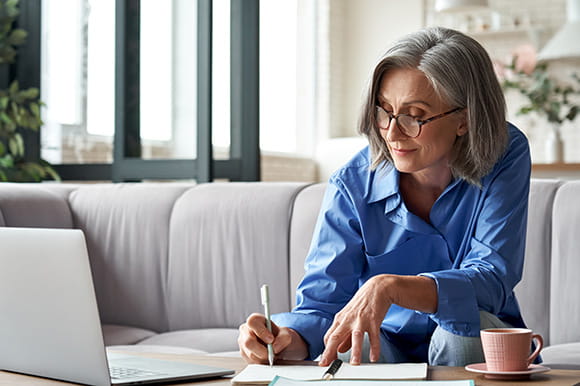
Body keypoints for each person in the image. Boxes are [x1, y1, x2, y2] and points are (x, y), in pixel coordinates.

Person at [238, 26, 531, 367]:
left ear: (464, 120)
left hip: (472, 339)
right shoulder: (351, 184)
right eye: (383, 111)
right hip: (385, 343)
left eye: (413, 116)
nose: (392, 133)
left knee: (461, 328)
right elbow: (322, 304)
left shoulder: (504, 153)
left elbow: (492, 276)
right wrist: (285, 339)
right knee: (354, 342)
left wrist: (391, 286)